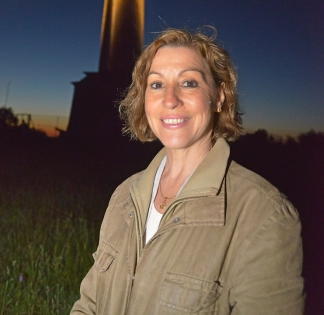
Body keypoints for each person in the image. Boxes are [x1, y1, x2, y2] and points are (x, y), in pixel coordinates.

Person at [70, 28, 304, 315]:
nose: (170, 99)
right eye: (156, 85)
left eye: (189, 82)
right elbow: (89, 304)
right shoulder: (124, 196)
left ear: (219, 97)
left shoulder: (263, 215)